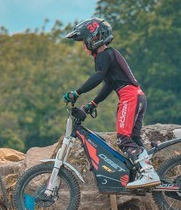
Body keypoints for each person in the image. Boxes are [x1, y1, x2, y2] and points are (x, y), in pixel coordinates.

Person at [62, 17, 159, 189]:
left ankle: (148, 173)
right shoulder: (108, 55)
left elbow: (98, 77)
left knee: (123, 138)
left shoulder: (104, 55)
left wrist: (77, 92)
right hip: (137, 96)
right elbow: (109, 84)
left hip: (130, 97)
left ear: (93, 39)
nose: (83, 47)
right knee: (133, 138)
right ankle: (144, 172)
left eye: (84, 43)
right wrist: (94, 103)